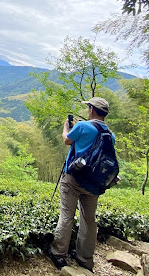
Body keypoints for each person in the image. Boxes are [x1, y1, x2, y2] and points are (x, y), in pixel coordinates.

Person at [48, 97, 115, 272]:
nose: (87, 110)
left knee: (67, 215)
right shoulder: (110, 134)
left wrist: (66, 127)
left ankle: (58, 253)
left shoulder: (82, 126)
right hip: (94, 183)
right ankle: (85, 258)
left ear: (92, 109)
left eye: (89, 107)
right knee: (89, 219)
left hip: (73, 179)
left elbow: (67, 141)